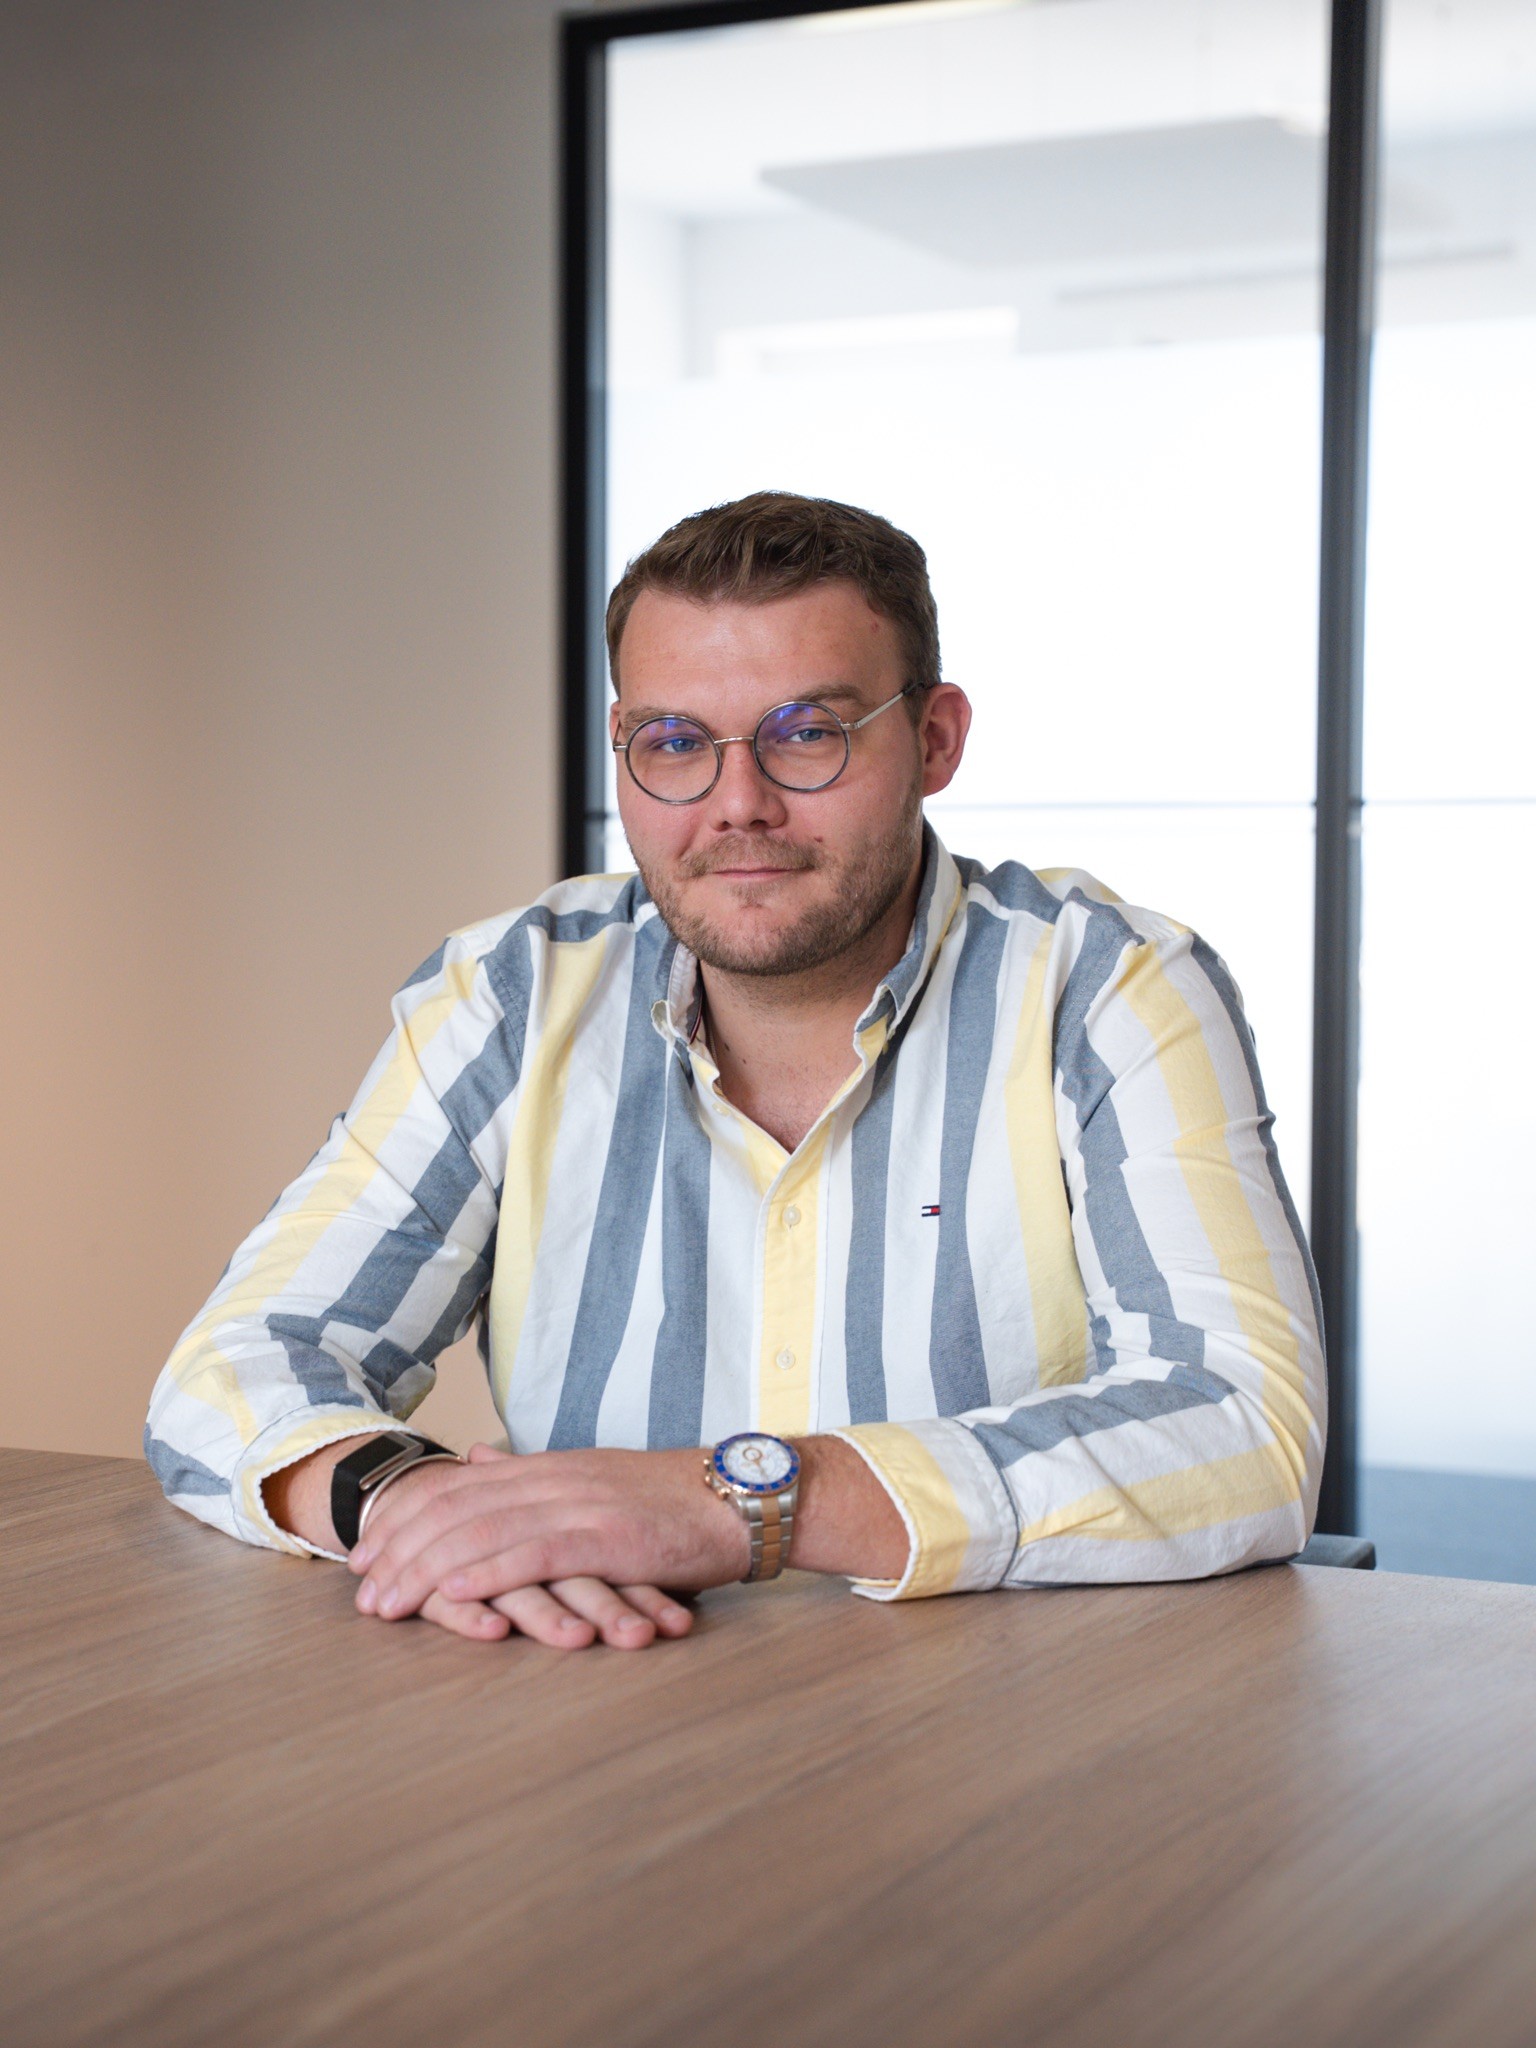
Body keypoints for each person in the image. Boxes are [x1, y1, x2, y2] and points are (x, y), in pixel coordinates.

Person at [145, 491, 1325, 1652]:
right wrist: (414, 1507)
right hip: (602, 1692)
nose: (738, 804)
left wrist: (739, 1501)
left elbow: (1242, 1421)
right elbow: (233, 1367)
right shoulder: (512, 994)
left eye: (807, 732)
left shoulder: (1105, 986)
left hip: (997, 1731)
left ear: (936, 738)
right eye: (672, 744)